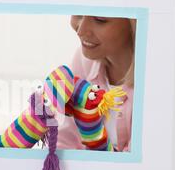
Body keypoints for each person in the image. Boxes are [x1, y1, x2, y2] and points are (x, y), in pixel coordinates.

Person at [57, 15, 136, 152]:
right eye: (79, 14)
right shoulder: (83, 61)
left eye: (100, 20)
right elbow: (66, 138)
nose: (81, 30)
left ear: (133, 24)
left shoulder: (152, 80)